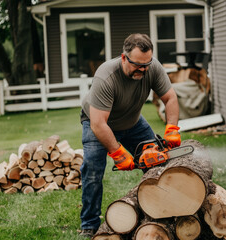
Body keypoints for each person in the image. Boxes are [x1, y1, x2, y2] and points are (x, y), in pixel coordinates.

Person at [79, 33, 181, 238]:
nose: (143, 70)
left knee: (159, 161)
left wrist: (172, 129)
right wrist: (117, 152)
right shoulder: (106, 76)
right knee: (92, 168)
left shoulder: (152, 67)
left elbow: (170, 98)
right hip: (98, 123)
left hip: (133, 121)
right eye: (137, 65)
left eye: (146, 65)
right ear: (124, 58)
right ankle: (89, 223)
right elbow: (99, 124)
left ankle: (162, 211)